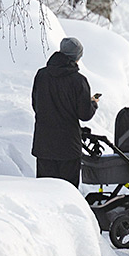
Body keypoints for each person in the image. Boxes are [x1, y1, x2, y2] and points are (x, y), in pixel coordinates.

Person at [31, 37, 99, 186]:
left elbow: (36, 105)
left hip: (44, 144)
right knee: (67, 191)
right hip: (68, 146)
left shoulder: (41, 75)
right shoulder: (78, 80)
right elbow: (85, 114)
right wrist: (93, 103)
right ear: (77, 57)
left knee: (44, 189)